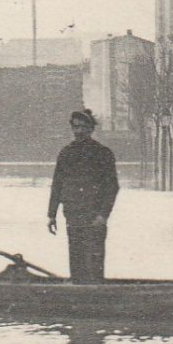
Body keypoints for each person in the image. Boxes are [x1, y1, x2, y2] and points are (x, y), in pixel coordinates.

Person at [47, 108, 120, 283]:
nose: (78, 131)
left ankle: (96, 295)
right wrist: (52, 215)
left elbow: (112, 187)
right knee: (76, 258)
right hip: (73, 214)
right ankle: (79, 292)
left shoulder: (103, 153)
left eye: (83, 127)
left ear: (91, 129)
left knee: (95, 260)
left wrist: (103, 214)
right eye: (75, 127)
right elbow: (57, 185)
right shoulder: (66, 153)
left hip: (94, 215)